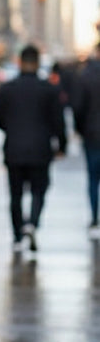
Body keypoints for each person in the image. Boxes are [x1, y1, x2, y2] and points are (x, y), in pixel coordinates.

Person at [0, 43, 66, 253]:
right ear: (38, 63)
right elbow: (58, 122)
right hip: (40, 150)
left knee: (15, 195)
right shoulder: (49, 90)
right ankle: (32, 224)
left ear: (19, 62)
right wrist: (61, 145)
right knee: (38, 191)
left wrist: (12, 130)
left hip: (14, 149)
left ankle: (17, 236)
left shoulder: (7, 89)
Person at [73, 43, 100, 234]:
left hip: (92, 134)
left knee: (92, 178)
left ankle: (94, 217)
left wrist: (80, 129)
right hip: (91, 132)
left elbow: (78, 108)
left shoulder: (86, 76)